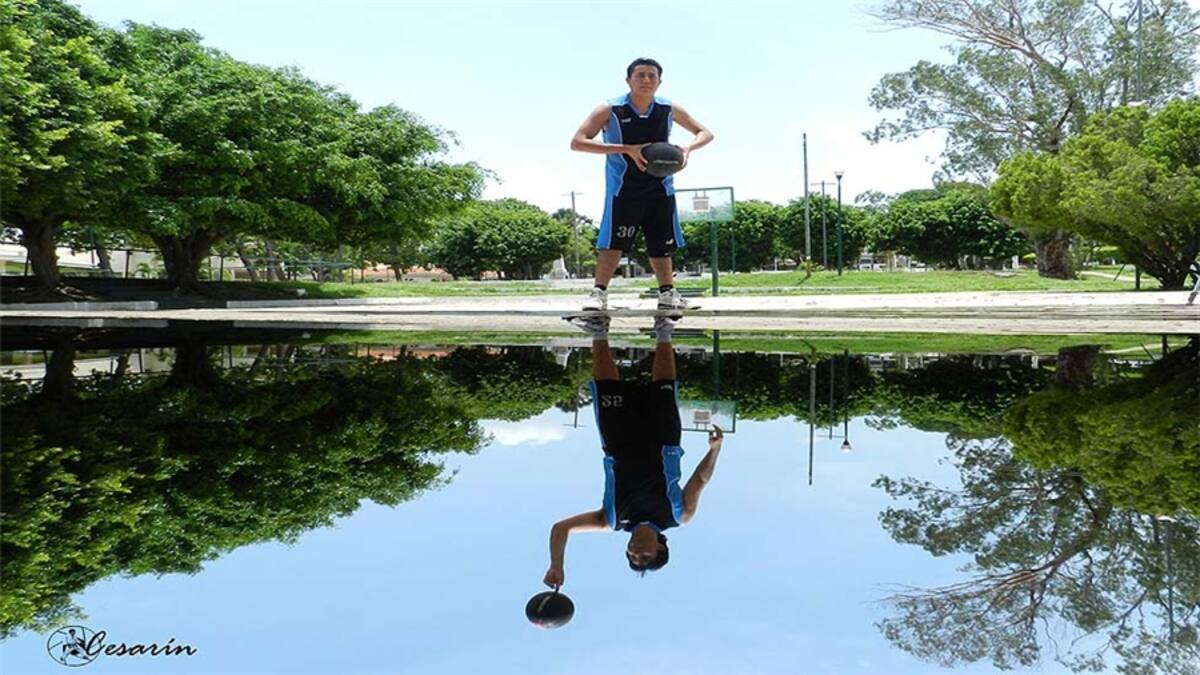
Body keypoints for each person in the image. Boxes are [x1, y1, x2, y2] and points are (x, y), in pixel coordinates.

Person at [543, 315, 725, 588]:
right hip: (662, 440)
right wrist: (714, 451)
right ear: (660, 549)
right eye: (645, 556)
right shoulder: (678, 516)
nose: (637, 553)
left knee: (606, 385)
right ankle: (664, 330)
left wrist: (556, 564)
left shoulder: (610, 520)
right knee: (662, 384)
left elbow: (561, 528)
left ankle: (599, 330)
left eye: (632, 557)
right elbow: (700, 481)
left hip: (619, 441)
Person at [570, 57, 715, 311]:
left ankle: (667, 293)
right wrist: (627, 149)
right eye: (640, 75)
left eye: (652, 75)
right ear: (628, 80)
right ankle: (598, 294)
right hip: (623, 188)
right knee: (613, 243)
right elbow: (578, 142)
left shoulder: (668, 109)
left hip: (661, 187)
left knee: (662, 244)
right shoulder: (610, 109)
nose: (646, 80)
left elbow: (706, 133)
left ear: (659, 81)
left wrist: (687, 148)